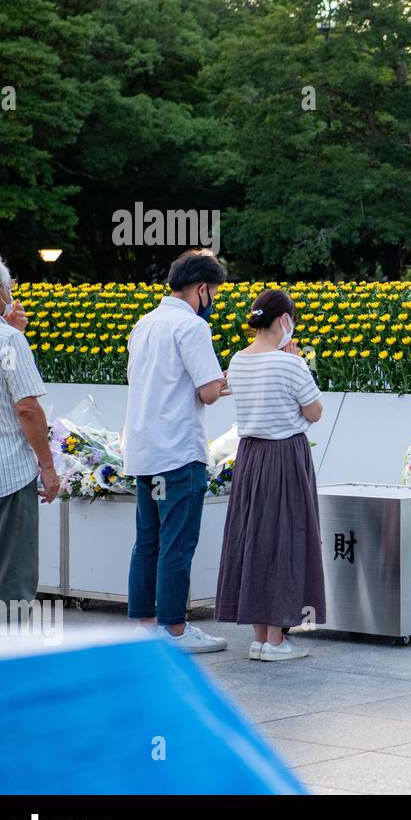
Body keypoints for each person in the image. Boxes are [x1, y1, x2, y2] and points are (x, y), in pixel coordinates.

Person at [124, 250, 229, 652]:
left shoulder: (144, 324)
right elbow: (207, 391)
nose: (214, 299)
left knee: (147, 542)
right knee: (177, 544)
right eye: (214, 292)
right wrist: (226, 382)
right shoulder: (191, 328)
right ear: (201, 289)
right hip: (179, 453)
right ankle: (176, 629)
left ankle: (146, 625)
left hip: (144, 451)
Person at [215, 288, 325, 661]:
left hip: (250, 457)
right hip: (284, 455)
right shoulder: (290, 363)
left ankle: (260, 636)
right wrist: (298, 364)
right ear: (284, 320)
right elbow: (314, 412)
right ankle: (276, 639)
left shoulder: (238, 360)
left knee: (253, 538)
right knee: (284, 539)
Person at [0, 252, 60, 609]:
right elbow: (26, 407)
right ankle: (7, 661)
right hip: (6, 475)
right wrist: (48, 467)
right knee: (11, 584)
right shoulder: (6, 340)